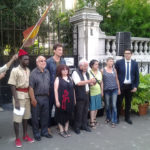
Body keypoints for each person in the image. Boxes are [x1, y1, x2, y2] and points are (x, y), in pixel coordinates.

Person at [8, 49, 34, 148]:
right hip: (18, 96)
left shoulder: (28, 70)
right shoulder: (15, 70)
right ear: (20, 59)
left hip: (27, 96)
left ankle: (25, 135)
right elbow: (12, 86)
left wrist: (31, 98)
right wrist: (17, 101)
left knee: (26, 118)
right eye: (25, 59)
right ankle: (17, 138)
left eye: (28, 59)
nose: (27, 61)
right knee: (17, 119)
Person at [29, 56, 52, 141]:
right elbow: (30, 88)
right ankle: (36, 133)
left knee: (45, 116)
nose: (43, 62)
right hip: (37, 98)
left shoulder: (47, 71)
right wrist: (33, 99)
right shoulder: (33, 73)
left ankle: (44, 132)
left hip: (46, 97)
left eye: (44, 61)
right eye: (41, 61)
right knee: (35, 117)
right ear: (37, 63)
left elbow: (48, 83)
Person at [72, 58, 96, 134]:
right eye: (85, 66)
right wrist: (89, 81)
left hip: (87, 94)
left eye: (87, 66)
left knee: (85, 111)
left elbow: (88, 83)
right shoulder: (75, 72)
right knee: (79, 112)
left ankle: (84, 125)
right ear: (80, 66)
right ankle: (77, 127)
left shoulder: (87, 73)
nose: (86, 67)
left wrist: (93, 83)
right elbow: (78, 83)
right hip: (79, 95)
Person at [46, 43, 66, 135]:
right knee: (49, 108)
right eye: (59, 50)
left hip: (61, 88)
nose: (61, 51)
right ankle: (48, 126)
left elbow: (65, 73)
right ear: (54, 50)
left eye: (61, 50)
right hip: (51, 88)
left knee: (60, 108)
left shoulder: (63, 61)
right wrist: (47, 89)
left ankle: (59, 124)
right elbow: (46, 75)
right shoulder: (48, 61)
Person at [115, 49, 139, 125]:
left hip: (130, 86)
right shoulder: (119, 63)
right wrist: (117, 86)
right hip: (121, 86)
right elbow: (115, 75)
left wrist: (135, 86)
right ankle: (117, 118)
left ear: (131, 54)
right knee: (118, 102)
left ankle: (127, 118)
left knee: (128, 103)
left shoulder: (135, 63)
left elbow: (137, 76)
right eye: (125, 53)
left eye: (128, 53)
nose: (127, 55)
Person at [54, 64, 76, 138]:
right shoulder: (58, 79)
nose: (65, 71)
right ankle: (61, 130)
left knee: (68, 114)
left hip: (70, 100)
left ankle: (66, 129)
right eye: (63, 70)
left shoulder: (70, 78)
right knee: (60, 115)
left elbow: (73, 90)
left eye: (66, 69)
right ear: (60, 71)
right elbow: (55, 90)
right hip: (61, 100)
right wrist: (57, 101)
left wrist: (74, 99)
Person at [101, 57, 120, 127]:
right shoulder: (102, 70)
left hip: (114, 89)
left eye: (112, 61)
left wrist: (119, 89)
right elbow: (101, 81)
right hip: (107, 90)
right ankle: (108, 117)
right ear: (106, 62)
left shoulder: (114, 70)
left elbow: (117, 79)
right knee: (108, 105)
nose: (111, 63)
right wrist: (102, 90)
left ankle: (113, 121)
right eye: (110, 61)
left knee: (114, 105)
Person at [88, 59, 103, 128]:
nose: (97, 65)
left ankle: (94, 119)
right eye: (96, 64)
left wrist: (102, 91)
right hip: (92, 92)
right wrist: (91, 83)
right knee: (92, 107)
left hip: (98, 91)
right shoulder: (88, 72)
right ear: (92, 65)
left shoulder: (99, 72)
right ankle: (91, 122)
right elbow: (87, 82)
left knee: (97, 107)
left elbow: (101, 82)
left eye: (98, 64)